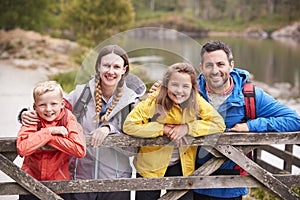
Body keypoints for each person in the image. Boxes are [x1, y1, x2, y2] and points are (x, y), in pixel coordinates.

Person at [20, 45, 146, 200]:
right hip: (80, 179)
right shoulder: (82, 94)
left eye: (116, 67)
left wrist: (109, 129)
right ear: (98, 66)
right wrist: (25, 113)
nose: (110, 71)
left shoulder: (133, 101)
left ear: (124, 69)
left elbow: (135, 146)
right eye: (106, 65)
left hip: (116, 181)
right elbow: (52, 105)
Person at [193, 40, 300, 199]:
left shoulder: (250, 96)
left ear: (231, 65)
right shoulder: (188, 91)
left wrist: (250, 126)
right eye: (209, 65)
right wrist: (156, 93)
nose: (215, 70)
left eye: (220, 64)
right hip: (189, 182)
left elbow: (294, 120)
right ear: (201, 68)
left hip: (231, 186)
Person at [123, 63, 226, 200]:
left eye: (185, 86)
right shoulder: (154, 100)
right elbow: (129, 125)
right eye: (174, 85)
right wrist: (162, 129)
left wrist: (187, 128)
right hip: (150, 166)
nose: (179, 91)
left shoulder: (196, 101)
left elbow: (218, 124)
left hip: (181, 165)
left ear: (192, 88)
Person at [17, 80, 86, 200]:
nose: (48, 109)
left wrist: (48, 137)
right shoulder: (33, 118)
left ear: (62, 104)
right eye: (42, 105)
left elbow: (79, 150)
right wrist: (49, 131)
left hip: (60, 184)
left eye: (53, 104)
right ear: (35, 106)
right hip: (30, 183)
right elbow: (22, 148)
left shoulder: (67, 118)